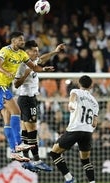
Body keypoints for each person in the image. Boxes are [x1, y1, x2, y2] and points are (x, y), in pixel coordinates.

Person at [0, 31, 54, 162]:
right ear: (13, 41)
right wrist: (6, 72)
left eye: (23, 40)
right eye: (20, 40)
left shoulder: (22, 54)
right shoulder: (5, 50)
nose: (23, 42)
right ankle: (19, 144)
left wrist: (43, 69)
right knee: (16, 112)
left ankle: (14, 151)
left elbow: (34, 67)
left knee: (7, 119)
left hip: (5, 87)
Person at [14, 40, 65, 172]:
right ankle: (36, 160)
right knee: (32, 131)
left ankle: (25, 158)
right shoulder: (22, 65)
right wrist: (27, 72)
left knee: (26, 130)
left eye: (37, 50)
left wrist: (55, 51)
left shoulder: (32, 61)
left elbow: (42, 59)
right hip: (26, 98)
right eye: (34, 51)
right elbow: (16, 84)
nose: (37, 53)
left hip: (29, 99)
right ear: (27, 52)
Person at [49, 75, 99, 183]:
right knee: (85, 160)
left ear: (79, 84)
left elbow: (73, 96)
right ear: (91, 85)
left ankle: (69, 178)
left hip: (75, 129)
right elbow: (95, 122)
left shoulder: (76, 91)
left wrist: (71, 104)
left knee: (54, 153)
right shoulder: (95, 102)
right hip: (87, 132)